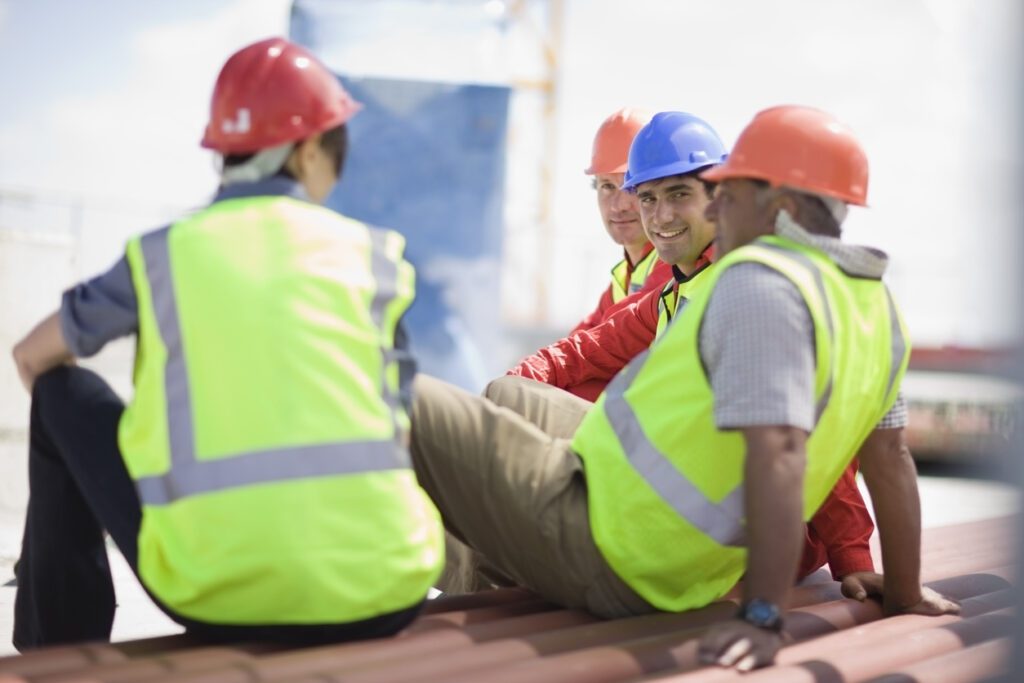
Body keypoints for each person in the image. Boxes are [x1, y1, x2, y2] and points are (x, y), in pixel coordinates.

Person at [407, 105, 958, 672]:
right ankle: (485, 581)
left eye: (728, 194)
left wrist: (766, 613)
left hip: (616, 545)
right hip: (654, 536)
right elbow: (890, 457)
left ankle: (421, 613)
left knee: (406, 399)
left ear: (784, 209)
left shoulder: (759, 287)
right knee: (510, 396)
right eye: (645, 197)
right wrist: (905, 590)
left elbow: (784, 453)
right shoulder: (875, 306)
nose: (715, 208)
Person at [10, 37, 443, 650]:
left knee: (60, 391)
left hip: (219, 600)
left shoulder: (162, 256)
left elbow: (31, 354)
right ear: (309, 150)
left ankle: (59, 649)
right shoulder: (374, 257)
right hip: (385, 592)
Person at [500, 110, 874, 588]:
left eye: (678, 194)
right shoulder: (676, 289)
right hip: (691, 497)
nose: (655, 215)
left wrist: (852, 559)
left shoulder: (745, 293)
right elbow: (589, 346)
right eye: (646, 197)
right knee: (513, 405)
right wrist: (522, 376)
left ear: (721, 198)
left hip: (730, 527)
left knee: (500, 430)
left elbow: (807, 434)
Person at [570, 107, 672, 335]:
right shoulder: (625, 275)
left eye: (631, 187)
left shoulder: (674, 265)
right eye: (607, 186)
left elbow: (611, 338)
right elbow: (585, 337)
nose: (619, 205)